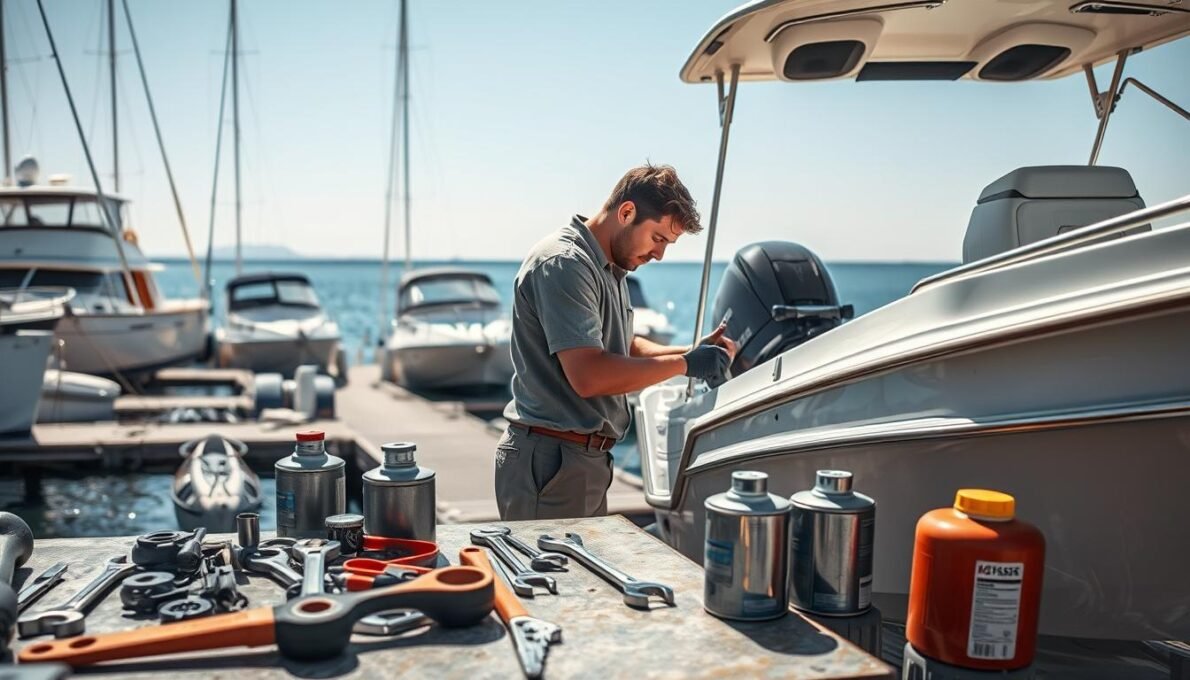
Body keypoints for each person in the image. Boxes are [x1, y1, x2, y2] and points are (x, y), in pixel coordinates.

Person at [495, 163, 735, 521]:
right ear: (626, 213)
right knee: (550, 577)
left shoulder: (610, 266)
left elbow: (622, 346)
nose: (659, 255)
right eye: (658, 239)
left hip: (581, 463)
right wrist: (686, 366)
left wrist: (691, 352)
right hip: (551, 464)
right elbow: (589, 374)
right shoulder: (565, 264)